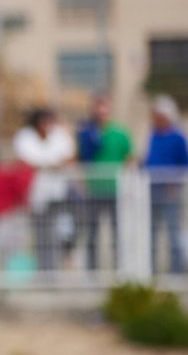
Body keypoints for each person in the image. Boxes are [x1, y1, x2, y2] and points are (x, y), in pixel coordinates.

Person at [12, 107, 76, 272]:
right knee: (41, 234)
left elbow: (68, 157)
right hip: (36, 195)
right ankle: (45, 270)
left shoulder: (60, 136)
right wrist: (49, 163)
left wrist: (48, 163)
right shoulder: (25, 137)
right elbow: (27, 161)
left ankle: (57, 266)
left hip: (58, 193)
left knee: (61, 231)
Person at [75, 94, 132, 273]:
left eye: (104, 107)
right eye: (98, 107)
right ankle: (92, 273)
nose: (101, 111)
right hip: (94, 190)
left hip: (116, 190)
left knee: (118, 233)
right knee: (92, 234)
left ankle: (120, 270)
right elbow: (80, 159)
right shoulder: (86, 133)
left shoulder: (120, 133)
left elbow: (130, 159)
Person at [143, 97, 188, 275]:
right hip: (152, 190)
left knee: (174, 232)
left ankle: (177, 271)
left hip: (171, 191)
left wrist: (175, 182)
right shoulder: (152, 135)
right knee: (152, 232)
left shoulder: (178, 137)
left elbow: (187, 165)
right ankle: (151, 270)